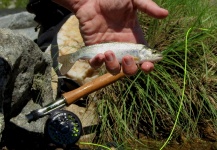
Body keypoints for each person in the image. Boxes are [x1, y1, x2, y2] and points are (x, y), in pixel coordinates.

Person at [52, 0, 168, 76]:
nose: (155, 54)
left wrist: (84, 4)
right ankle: (70, 58)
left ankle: (69, 59)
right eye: (153, 52)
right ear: (145, 52)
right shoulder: (140, 50)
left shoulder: (140, 51)